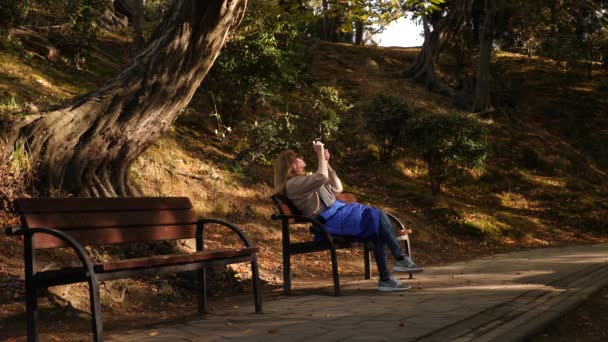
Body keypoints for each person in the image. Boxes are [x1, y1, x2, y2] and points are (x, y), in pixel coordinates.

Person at [274, 141, 422, 291]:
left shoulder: (305, 180)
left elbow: (338, 187)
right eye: (298, 157)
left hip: (339, 213)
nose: (303, 159)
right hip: (329, 222)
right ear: (291, 164)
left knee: (376, 221)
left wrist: (327, 163)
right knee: (375, 216)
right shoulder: (293, 184)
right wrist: (319, 154)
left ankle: (387, 277)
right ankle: (398, 260)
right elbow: (322, 176)